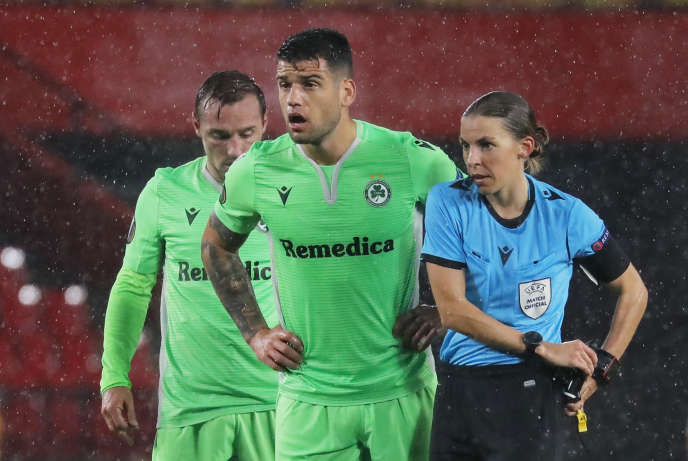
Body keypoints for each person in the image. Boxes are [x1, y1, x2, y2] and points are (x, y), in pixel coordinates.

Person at [201, 28, 459, 460]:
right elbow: (215, 246)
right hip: (307, 401)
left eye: (309, 84)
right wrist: (256, 333)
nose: (293, 99)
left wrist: (445, 310)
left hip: (401, 393)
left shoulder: (410, 159)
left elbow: (483, 239)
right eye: (285, 85)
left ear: (346, 91)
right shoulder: (256, 170)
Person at [421, 91, 648, 460]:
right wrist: (541, 346)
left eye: (486, 145)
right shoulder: (447, 202)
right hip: (459, 395)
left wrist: (602, 370)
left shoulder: (568, 216)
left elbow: (633, 291)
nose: (472, 160)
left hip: (532, 397)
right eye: (465, 146)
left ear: (524, 147)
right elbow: (453, 311)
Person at [100, 70, 279, 461]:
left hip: (281, 405)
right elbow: (132, 286)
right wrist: (114, 376)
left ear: (266, 124)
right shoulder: (165, 192)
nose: (235, 149)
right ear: (196, 126)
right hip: (190, 410)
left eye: (247, 133)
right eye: (220, 135)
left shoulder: (292, 191)